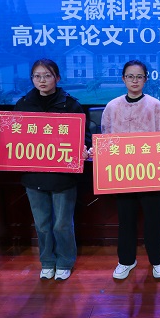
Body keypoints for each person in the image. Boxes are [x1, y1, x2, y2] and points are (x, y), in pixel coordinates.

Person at [13, 59, 92, 281]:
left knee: (62, 224)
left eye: (47, 75)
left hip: (63, 176)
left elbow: (84, 137)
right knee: (42, 224)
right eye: (37, 76)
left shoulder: (71, 105)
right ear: (32, 79)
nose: (42, 80)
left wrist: (84, 148)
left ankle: (65, 261)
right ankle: (47, 261)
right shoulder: (23, 105)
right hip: (33, 175)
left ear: (57, 78)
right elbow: (13, 137)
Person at [100, 60, 160, 280]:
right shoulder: (112, 107)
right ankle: (126, 260)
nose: (134, 81)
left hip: (151, 174)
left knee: (153, 221)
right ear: (123, 79)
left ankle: (157, 261)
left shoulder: (156, 106)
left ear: (146, 79)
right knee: (126, 220)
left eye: (139, 76)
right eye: (130, 76)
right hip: (122, 175)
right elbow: (105, 139)